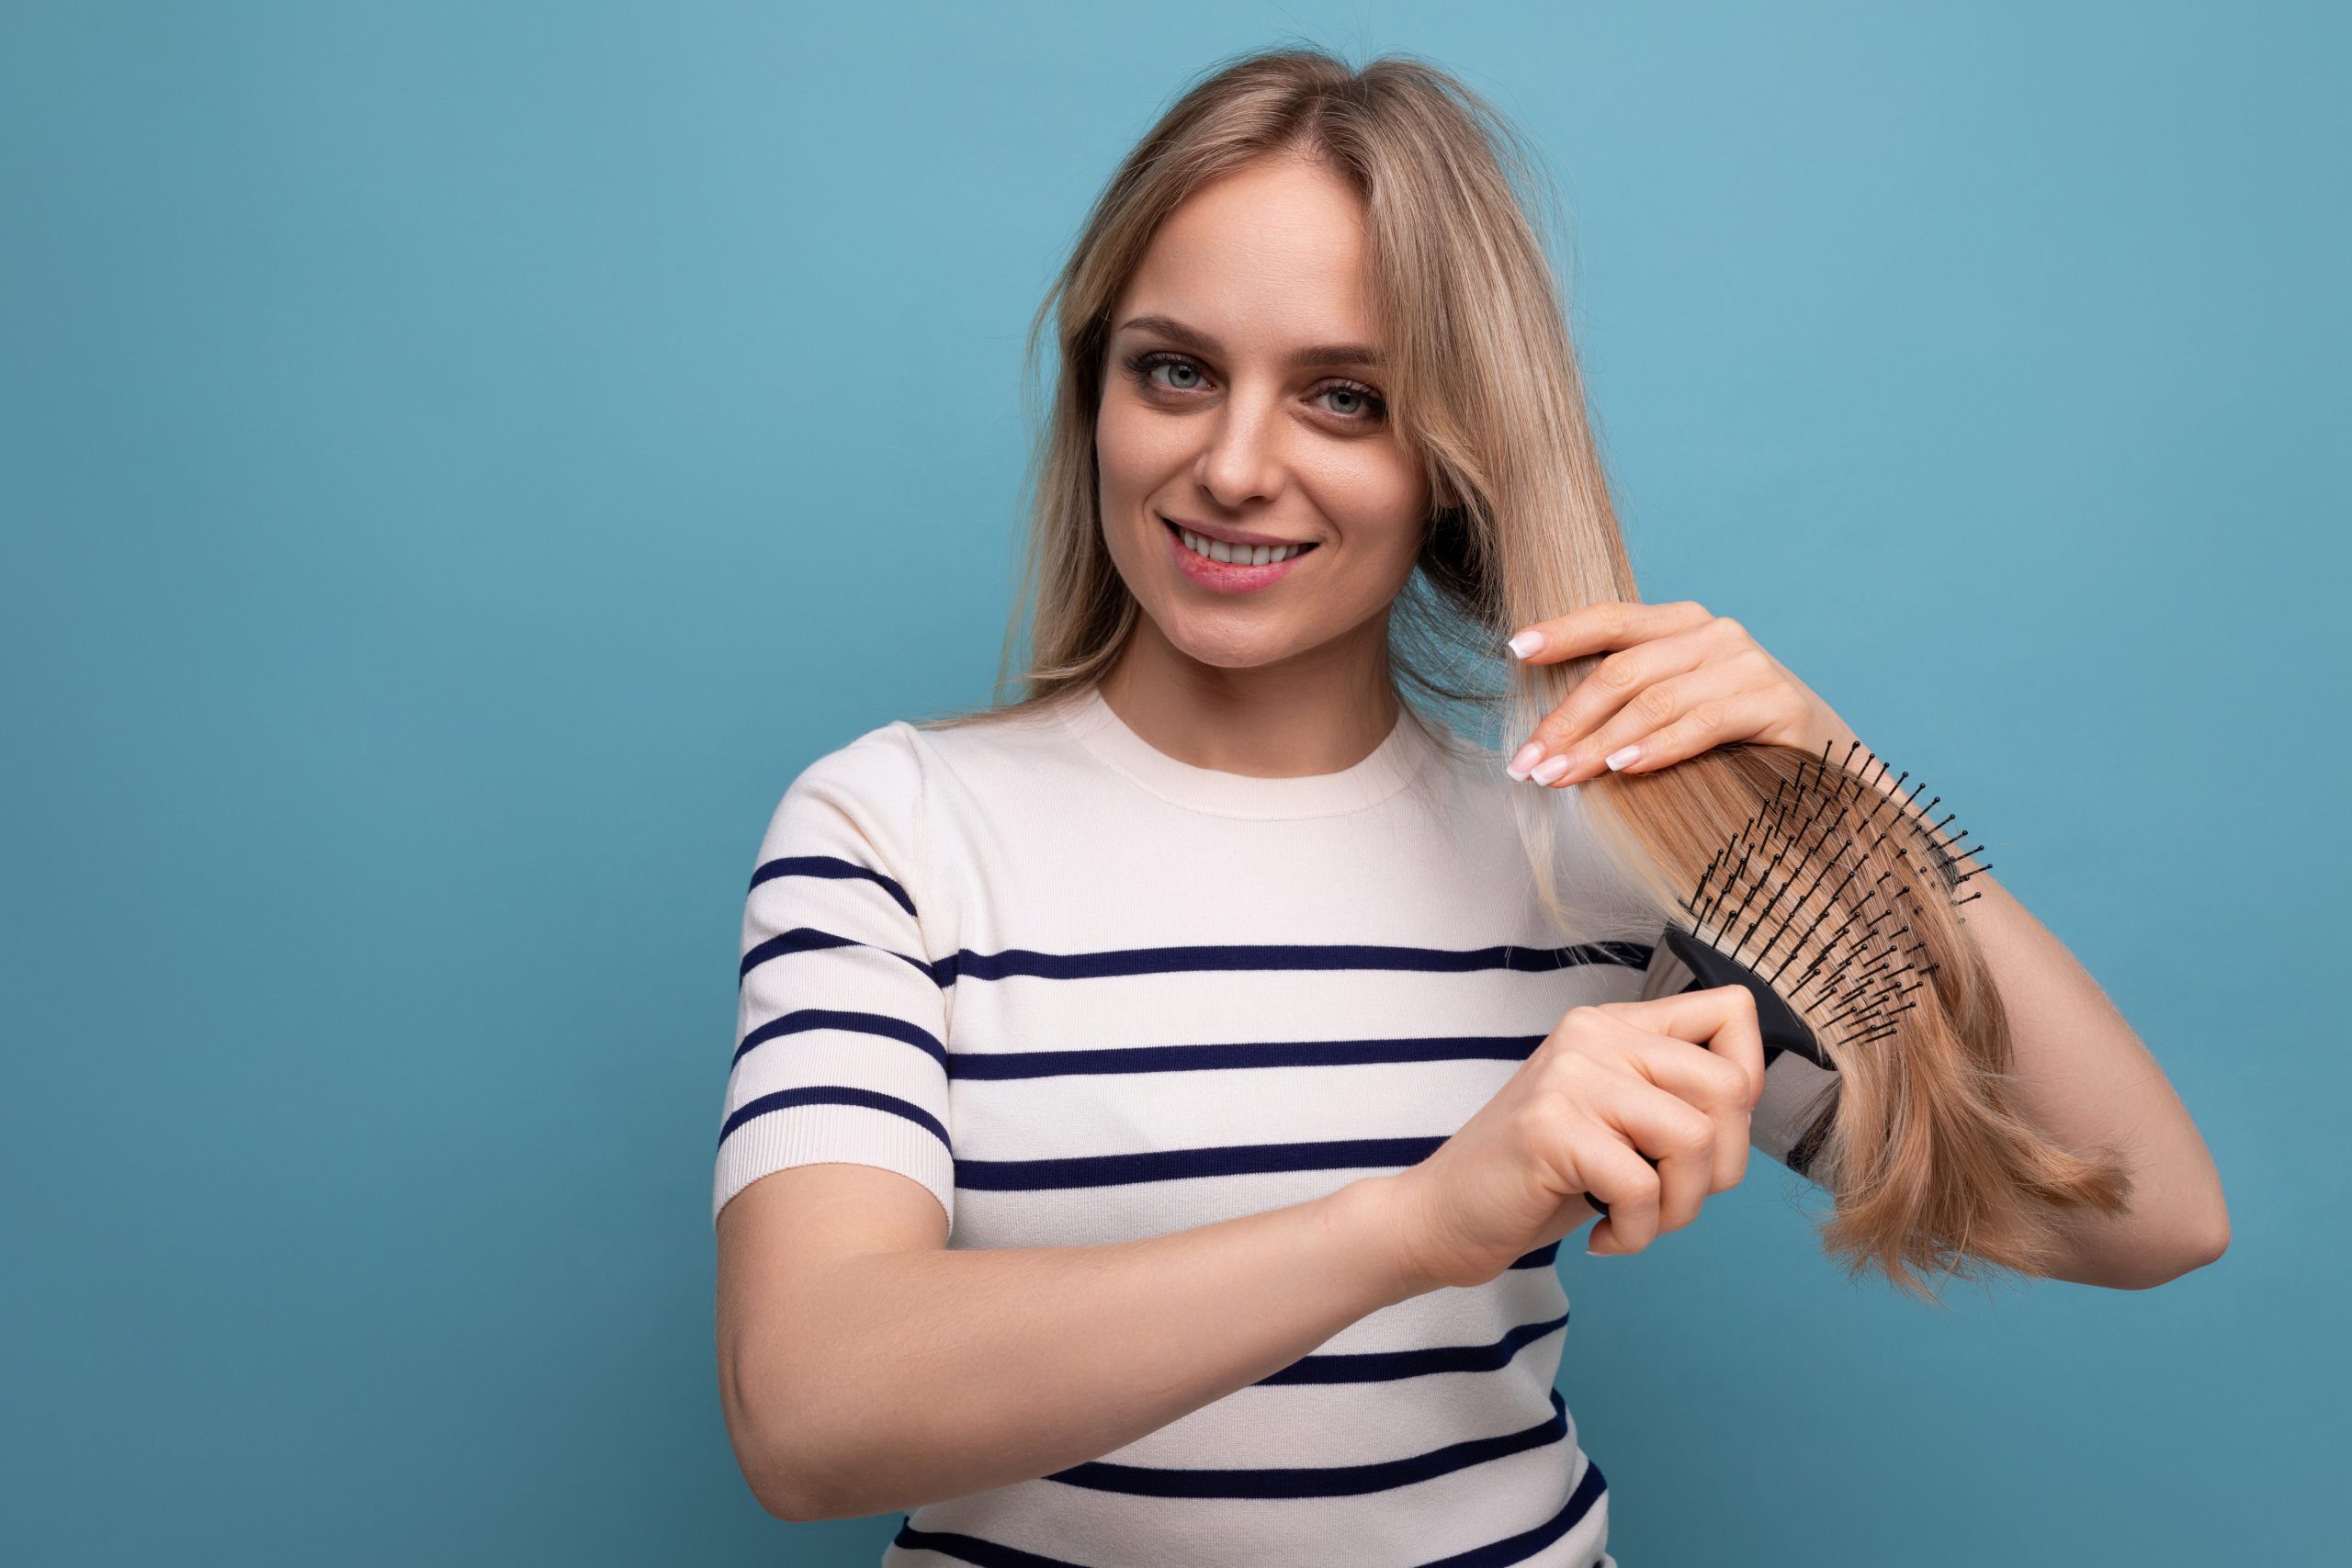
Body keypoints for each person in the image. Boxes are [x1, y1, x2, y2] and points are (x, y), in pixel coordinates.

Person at [712, 47, 2228, 1567]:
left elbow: (2143, 1214)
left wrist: (1849, 794)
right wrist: (1421, 1225)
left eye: (1345, 397)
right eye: (1175, 368)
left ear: (1452, 453)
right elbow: (810, 1410)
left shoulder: (1596, 859)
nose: (1234, 466)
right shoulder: (898, 829)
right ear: (1095, 391)